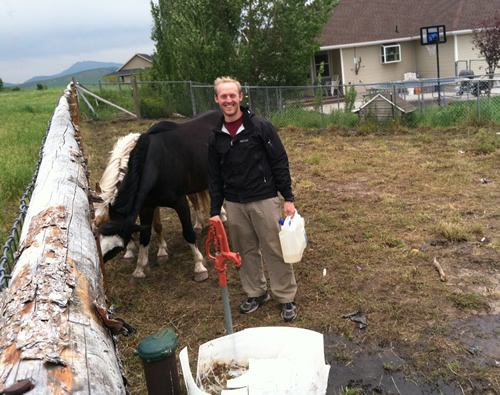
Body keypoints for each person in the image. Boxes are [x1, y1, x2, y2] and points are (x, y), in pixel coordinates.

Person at [208, 76, 298, 322]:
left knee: (274, 248)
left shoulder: (260, 126)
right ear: (217, 99)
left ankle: (286, 296)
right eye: (223, 96)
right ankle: (256, 292)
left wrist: (287, 198)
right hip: (235, 204)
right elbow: (214, 176)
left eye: (232, 95)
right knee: (245, 251)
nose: (228, 100)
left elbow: (279, 161)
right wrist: (215, 210)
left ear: (241, 97)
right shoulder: (217, 136)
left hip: (264, 199)